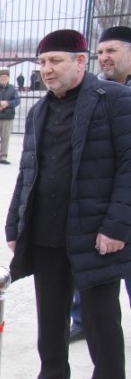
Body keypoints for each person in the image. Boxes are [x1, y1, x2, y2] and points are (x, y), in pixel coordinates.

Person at [5, 29, 131, 379]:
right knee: (50, 315)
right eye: (42, 63)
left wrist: (116, 226)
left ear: (81, 62)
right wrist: (15, 225)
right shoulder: (40, 111)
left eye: (55, 61)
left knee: (100, 321)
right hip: (45, 233)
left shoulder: (114, 100)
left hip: (95, 234)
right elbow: (28, 172)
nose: (46, 70)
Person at [69, 25, 131, 342]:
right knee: (90, 270)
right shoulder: (94, 94)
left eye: (112, 51)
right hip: (99, 205)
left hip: (125, 206)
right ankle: (81, 319)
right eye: (101, 52)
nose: (104, 58)